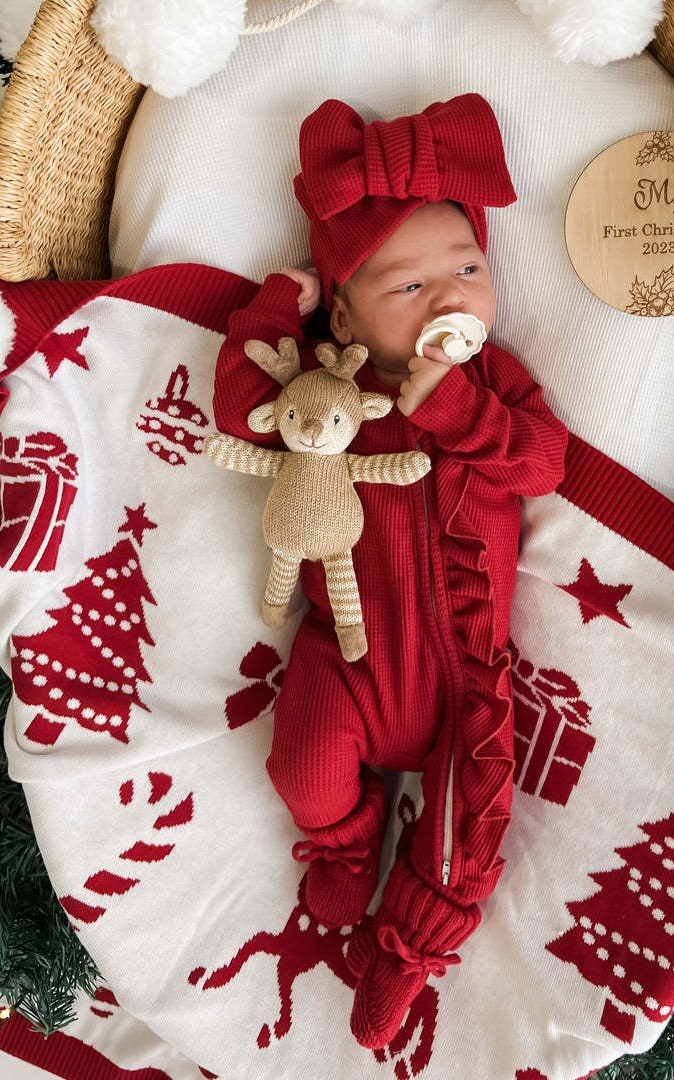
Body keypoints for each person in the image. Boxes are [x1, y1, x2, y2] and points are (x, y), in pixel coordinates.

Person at [210, 93, 569, 1049]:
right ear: (345, 312)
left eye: (468, 269)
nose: (451, 298)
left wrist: (461, 414)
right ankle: (347, 838)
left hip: (466, 680)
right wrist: (270, 307)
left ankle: (404, 951)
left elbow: (543, 464)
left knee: (469, 831)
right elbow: (240, 410)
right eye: (409, 286)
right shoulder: (326, 388)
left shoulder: (492, 385)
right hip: (350, 654)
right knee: (303, 767)